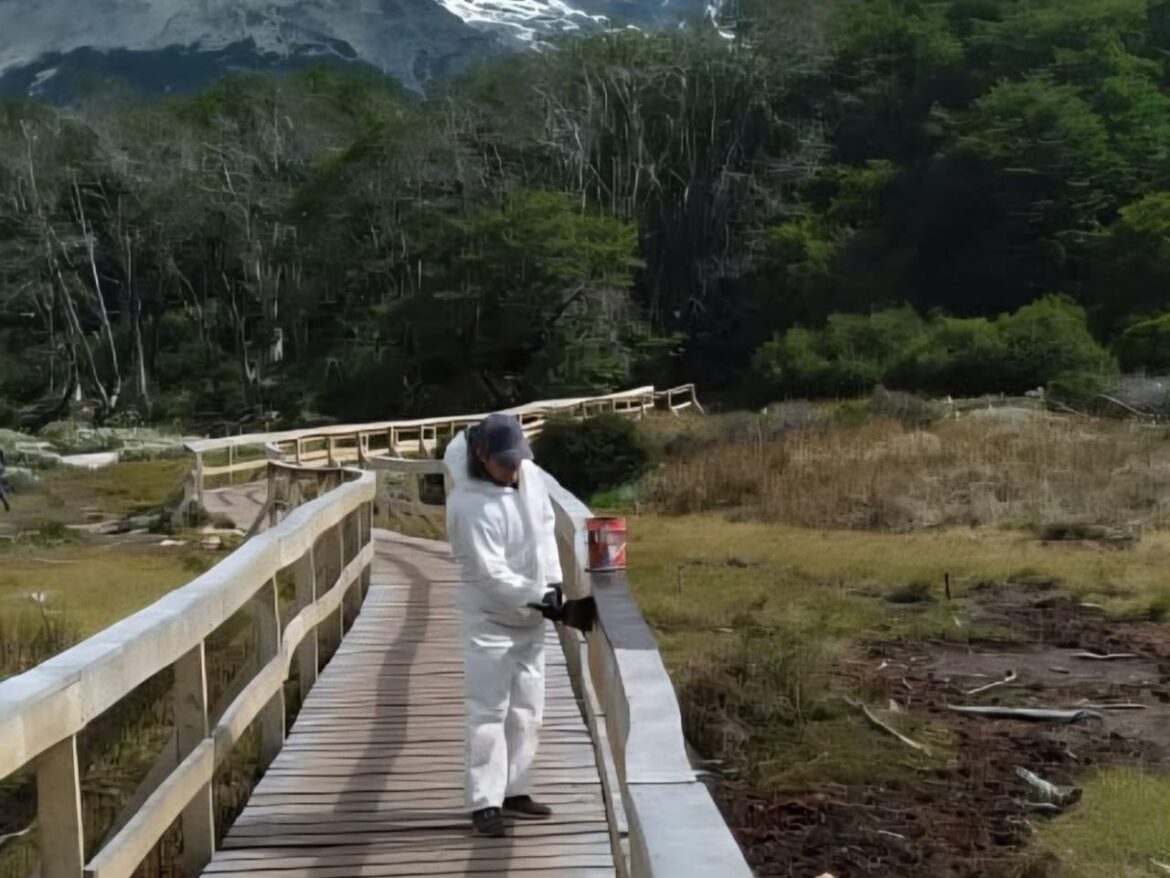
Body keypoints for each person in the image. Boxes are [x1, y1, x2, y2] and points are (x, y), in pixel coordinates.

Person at [443, 413, 564, 838]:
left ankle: (516, 788)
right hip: (490, 619)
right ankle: (485, 801)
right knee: (488, 710)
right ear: (481, 454)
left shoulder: (527, 478)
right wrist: (537, 596)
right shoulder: (467, 505)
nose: (514, 470)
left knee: (529, 708)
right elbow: (489, 573)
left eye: (518, 461)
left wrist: (554, 585)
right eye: (505, 463)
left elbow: (546, 532)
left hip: (530, 618)